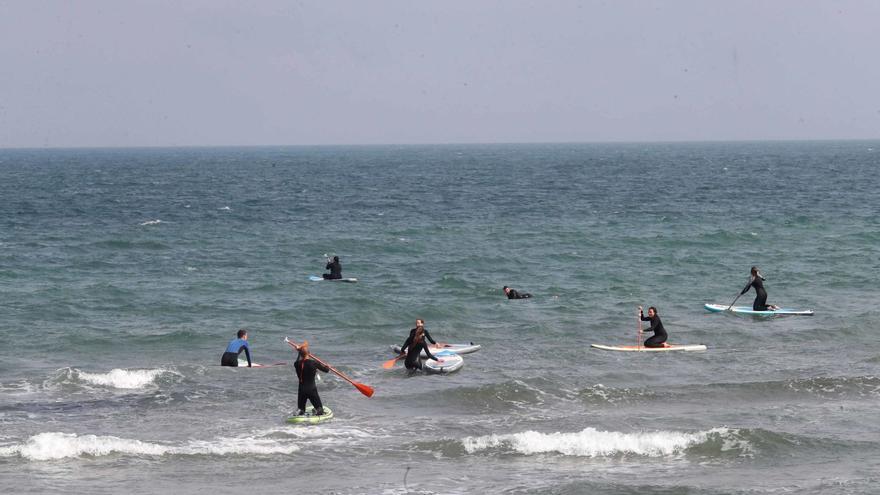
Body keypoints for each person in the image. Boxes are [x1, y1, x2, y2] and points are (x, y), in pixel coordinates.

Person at [293, 341, 330, 416]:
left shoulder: (296, 364)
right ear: (309, 354)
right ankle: (318, 411)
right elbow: (326, 370)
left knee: (301, 410)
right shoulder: (314, 363)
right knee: (320, 409)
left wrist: (299, 351)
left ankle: (300, 413)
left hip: (301, 390)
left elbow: (298, 359)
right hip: (311, 389)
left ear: (300, 354)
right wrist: (327, 366)